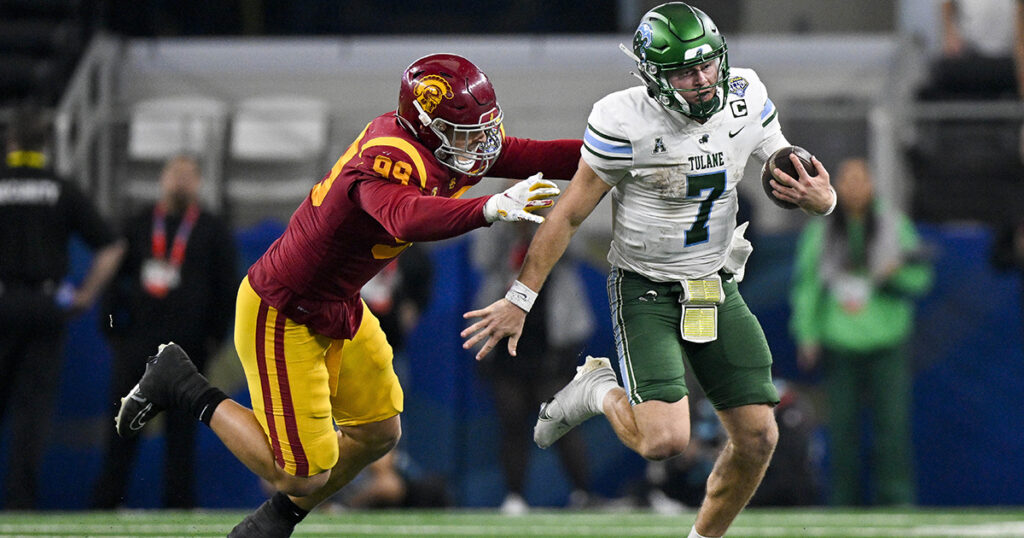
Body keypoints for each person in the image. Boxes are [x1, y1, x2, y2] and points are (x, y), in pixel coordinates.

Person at [113, 53, 581, 537]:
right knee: (299, 473)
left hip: (337, 303)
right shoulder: (388, 157)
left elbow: (535, 153)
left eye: (481, 130)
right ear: (426, 126)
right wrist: (489, 207)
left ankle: (278, 517)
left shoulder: (442, 143)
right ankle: (181, 383)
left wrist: (616, 150)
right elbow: (407, 218)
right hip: (284, 307)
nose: (479, 145)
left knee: (379, 432)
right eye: (465, 133)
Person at [461, 4, 837, 537]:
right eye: (685, 70)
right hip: (646, 286)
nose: (704, 80)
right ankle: (596, 388)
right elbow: (568, 214)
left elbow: (778, 156)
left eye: (708, 64)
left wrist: (821, 199)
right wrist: (519, 299)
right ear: (653, 77)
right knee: (664, 442)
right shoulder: (624, 119)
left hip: (714, 283)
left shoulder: (745, 93)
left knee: (759, 437)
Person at [91, 155, 237, 509]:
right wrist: (113, 332)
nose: (181, 182)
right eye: (175, 174)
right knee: (123, 427)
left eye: (189, 175)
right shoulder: (138, 224)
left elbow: (226, 288)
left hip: (188, 347)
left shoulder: (213, 230)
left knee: (182, 433)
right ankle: (106, 503)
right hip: (137, 345)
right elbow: (112, 283)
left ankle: (179, 506)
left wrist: (213, 339)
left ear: (200, 182)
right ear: (162, 178)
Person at [0, 105, 125, 508]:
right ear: (45, 144)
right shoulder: (60, 187)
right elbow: (111, 245)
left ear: (11, 142)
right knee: (31, 415)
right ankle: (20, 503)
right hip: (45, 306)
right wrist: (86, 293)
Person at [789, 157, 933, 506]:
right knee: (841, 431)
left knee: (892, 428)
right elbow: (807, 286)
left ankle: (897, 502)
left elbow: (920, 278)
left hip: (887, 341)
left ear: (871, 184)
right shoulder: (820, 228)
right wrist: (807, 334)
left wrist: (893, 274)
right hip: (840, 342)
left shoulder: (891, 224)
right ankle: (843, 503)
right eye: (847, 180)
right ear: (837, 184)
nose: (854, 187)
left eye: (860, 179)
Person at [470, 217, 596, 513]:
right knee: (511, 423)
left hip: (550, 341)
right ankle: (515, 495)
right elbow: (481, 259)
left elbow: (576, 248)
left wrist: (546, 219)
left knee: (562, 420)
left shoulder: (555, 216)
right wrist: (505, 220)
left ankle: (582, 492)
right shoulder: (502, 229)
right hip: (509, 344)